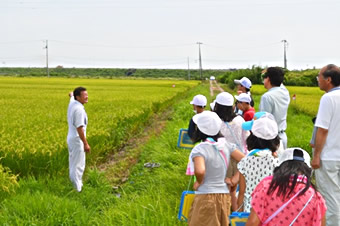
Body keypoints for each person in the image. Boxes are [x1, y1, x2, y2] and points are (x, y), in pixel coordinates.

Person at [188, 111, 245, 226]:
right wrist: (235, 179)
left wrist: (199, 182)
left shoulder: (200, 149)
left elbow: (200, 170)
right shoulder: (225, 145)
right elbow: (246, 160)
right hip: (224, 197)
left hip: (206, 197)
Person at [247, 148, 327, 226]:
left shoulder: (267, 187)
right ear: (308, 171)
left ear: (280, 167)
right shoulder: (315, 197)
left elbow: (253, 222)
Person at [311, 64, 340, 226]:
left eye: (319, 76)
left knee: (330, 198)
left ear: (328, 79)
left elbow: (322, 130)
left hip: (328, 157)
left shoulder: (328, 98)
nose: (318, 80)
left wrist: (316, 156)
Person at [213, 92, 250, 211]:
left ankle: (222, 217)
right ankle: (235, 218)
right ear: (232, 107)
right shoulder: (239, 120)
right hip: (239, 158)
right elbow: (246, 138)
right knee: (235, 192)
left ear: (217, 106)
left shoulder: (215, 121)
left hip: (221, 159)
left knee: (222, 193)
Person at [237, 113, 280, 212]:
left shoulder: (245, 162)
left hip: (249, 211)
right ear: (275, 140)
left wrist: (238, 213)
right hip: (270, 211)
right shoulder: (278, 163)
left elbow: (241, 192)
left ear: (252, 138)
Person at [259, 67, 290, 149]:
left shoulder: (267, 97)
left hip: (271, 139)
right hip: (282, 136)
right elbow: (280, 82)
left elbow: (264, 121)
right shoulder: (285, 93)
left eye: (264, 77)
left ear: (268, 79)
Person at [67, 87, 90, 192]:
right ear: (78, 97)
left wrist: (71, 94)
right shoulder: (79, 110)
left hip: (71, 138)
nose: (87, 97)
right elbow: (79, 128)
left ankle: (75, 185)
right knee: (78, 165)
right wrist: (85, 143)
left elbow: (71, 96)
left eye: (87, 94)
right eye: (84, 95)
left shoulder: (73, 103)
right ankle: (77, 189)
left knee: (73, 163)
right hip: (77, 139)